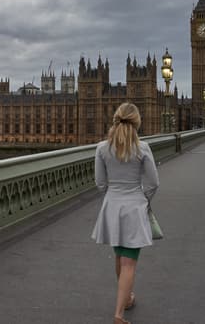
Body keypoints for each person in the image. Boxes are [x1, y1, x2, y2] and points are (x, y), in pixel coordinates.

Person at [91, 102, 160, 324]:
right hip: (134, 206)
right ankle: (119, 314)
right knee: (129, 262)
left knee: (120, 257)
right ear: (137, 122)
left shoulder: (102, 147)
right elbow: (153, 183)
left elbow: (100, 183)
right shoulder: (143, 148)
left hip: (112, 206)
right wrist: (143, 199)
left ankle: (127, 298)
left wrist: (113, 195)